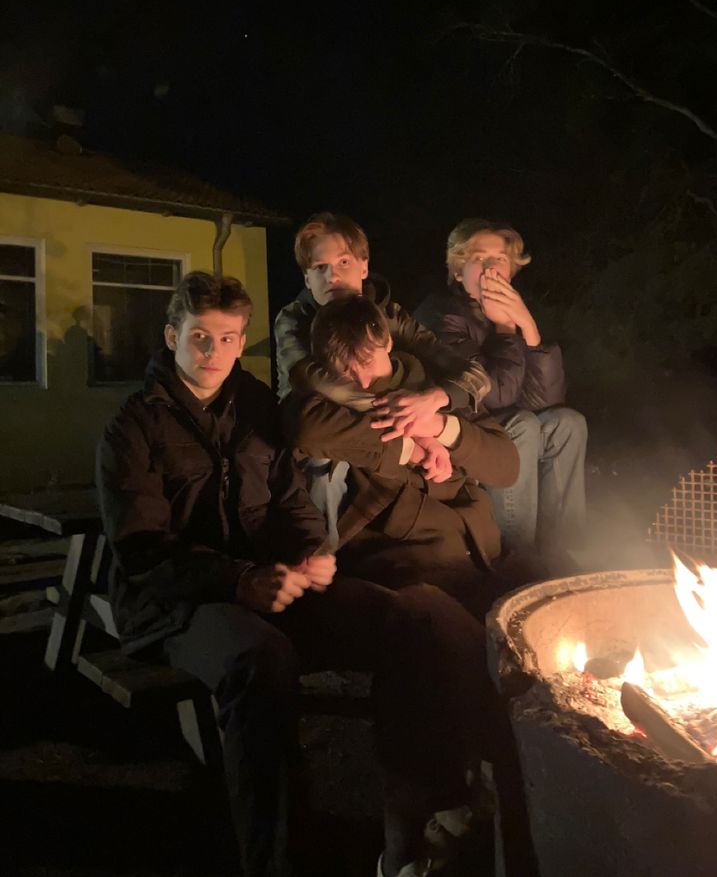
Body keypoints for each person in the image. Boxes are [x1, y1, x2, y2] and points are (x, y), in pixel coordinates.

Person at [97, 270, 497, 877]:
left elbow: (291, 504)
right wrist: (237, 581)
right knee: (260, 659)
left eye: (230, 339)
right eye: (201, 337)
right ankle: (276, 859)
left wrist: (315, 552)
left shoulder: (256, 406)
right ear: (172, 335)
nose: (215, 353)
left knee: (421, 614)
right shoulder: (132, 427)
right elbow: (142, 550)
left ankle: (417, 833)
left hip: (273, 581)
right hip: (178, 603)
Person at [284, 294, 520, 622]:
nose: (363, 382)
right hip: (407, 560)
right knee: (452, 632)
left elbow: (507, 466)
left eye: (367, 362)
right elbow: (307, 429)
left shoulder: (434, 386)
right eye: (345, 370)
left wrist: (440, 427)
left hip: (483, 547)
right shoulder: (327, 401)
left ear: (389, 343)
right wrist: (415, 446)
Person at [274, 211, 491, 551]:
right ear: (307, 279)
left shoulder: (389, 318)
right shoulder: (294, 321)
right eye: (319, 267)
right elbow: (314, 382)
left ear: (364, 266)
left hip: (391, 439)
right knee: (325, 463)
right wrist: (414, 428)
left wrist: (435, 402)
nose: (333, 274)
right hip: (326, 432)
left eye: (343, 261)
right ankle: (317, 560)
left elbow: (472, 375)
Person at [414, 218, 588, 578]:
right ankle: (516, 558)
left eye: (501, 259)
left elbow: (546, 401)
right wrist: (507, 329)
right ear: (458, 270)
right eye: (481, 258)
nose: (493, 268)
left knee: (567, 423)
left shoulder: (509, 312)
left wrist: (530, 329)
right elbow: (494, 396)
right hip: (463, 426)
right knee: (521, 424)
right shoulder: (441, 314)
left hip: (507, 418)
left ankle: (562, 555)